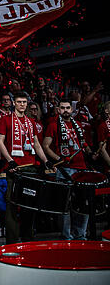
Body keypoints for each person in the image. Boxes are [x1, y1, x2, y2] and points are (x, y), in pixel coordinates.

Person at [0, 90, 52, 244]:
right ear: (14, 103)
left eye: (24, 102)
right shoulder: (5, 120)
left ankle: (28, 240)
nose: (22, 105)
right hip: (14, 169)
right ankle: (12, 242)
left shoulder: (30, 122)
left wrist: (46, 161)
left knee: (30, 205)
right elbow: (0, 142)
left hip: (31, 169)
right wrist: (10, 160)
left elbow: (36, 144)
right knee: (12, 205)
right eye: (19, 102)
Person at [42, 99, 91, 240]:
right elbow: (45, 146)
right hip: (65, 170)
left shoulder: (78, 125)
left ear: (72, 109)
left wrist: (90, 152)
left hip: (82, 168)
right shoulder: (53, 125)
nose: (65, 110)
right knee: (65, 205)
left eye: (68, 108)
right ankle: (67, 235)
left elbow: (83, 144)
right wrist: (58, 159)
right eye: (62, 108)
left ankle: (80, 234)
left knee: (83, 203)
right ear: (58, 110)